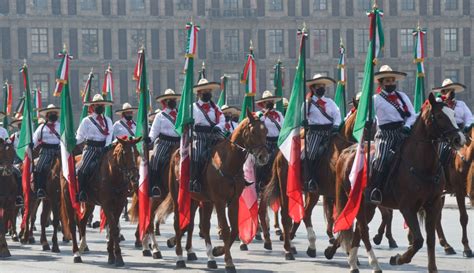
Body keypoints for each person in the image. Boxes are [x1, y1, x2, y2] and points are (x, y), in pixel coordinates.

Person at [367, 65, 416, 204]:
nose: (390, 83)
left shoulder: (403, 96)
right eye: (387, 81)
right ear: (381, 83)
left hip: (402, 132)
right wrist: (367, 122)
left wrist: (407, 127)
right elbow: (367, 116)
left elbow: (412, 115)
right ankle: (375, 189)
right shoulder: (375, 99)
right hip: (385, 135)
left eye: (392, 80)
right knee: (381, 159)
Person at [302, 74, 341, 192]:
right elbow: (301, 116)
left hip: (330, 132)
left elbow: (337, 115)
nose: (321, 88)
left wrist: (336, 126)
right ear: (313, 88)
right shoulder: (307, 103)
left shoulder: (330, 102)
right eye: (319, 86)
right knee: (312, 154)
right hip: (315, 133)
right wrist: (304, 121)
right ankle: (310, 179)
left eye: (323, 86)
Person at [76, 94, 113, 202]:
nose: (100, 107)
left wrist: (107, 146)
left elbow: (109, 134)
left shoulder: (108, 120)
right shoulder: (86, 121)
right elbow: (80, 136)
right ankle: (82, 192)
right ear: (93, 106)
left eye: (101, 105)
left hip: (104, 148)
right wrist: (72, 142)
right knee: (83, 168)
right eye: (97, 105)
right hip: (90, 148)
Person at [190, 79, 225, 193]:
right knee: (197, 155)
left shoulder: (216, 108)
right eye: (205, 91)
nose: (208, 93)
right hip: (199, 137)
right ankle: (195, 181)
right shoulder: (192, 108)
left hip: (214, 136)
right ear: (199, 93)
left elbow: (222, 120)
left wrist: (218, 127)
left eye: (209, 91)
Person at [148, 89, 181, 197]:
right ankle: (155, 186)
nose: (172, 101)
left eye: (173, 99)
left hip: (179, 143)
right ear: (165, 102)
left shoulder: (180, 114)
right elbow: (154, 131)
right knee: (156, 160)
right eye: (169, 100)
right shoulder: (160, 116)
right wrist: (149, 139)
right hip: (164, 143)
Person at [433, 79, 473, 166]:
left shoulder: (461, 104)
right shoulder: (439, 105)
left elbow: (470, 118)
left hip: (461, 133)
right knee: (441, 155)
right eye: (448, 90)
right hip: (446, 135)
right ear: (443, 92)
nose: (451, 93)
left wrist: (466, 127)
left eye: (452, 90)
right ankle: (440, 170)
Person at [255, 91, 284, 191]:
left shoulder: (279, 114)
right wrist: (265, 114)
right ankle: (260, 182)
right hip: (265, 142)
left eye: (271, 101)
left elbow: (283, 126)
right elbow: (258, 122)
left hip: (278, 142)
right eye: (267, 101)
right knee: (262, 162)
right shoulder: (259, 114)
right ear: (263, 103)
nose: (270, 102)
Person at [32, 104, 61, 199]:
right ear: (47, 115)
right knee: (39, 168)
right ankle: (40, 189)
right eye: (51, 113)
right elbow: (35, 140)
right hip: (46, 151)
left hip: (58, 151)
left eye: (54, 113)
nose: (53, 114)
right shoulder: (41, 128)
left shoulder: (61, 126)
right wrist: (31, 145)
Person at [9, 117, 24, 206]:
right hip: (16, 160)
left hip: (28, 158)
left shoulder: (31, 135)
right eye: (20, 124)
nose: (21, 126)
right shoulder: (13, 136)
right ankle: (18, 195)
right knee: (16, 173)